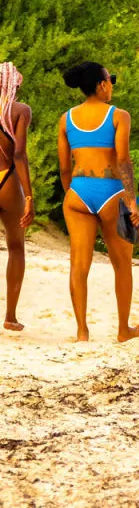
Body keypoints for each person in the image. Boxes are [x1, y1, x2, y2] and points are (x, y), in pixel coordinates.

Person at [58, 62, 139, 343]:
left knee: (79, 266)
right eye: (111, 80)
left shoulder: (66, 118)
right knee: (122, 265)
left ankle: (82, 331)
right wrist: (132, 203)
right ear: (102, 84)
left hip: (78, 193)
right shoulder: (120, 116)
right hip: (112, 193)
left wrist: (75, 194)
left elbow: (64, 169)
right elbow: (122, 160)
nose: (112, 85)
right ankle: (122, 329)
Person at [0, 62, 34, 332]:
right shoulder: (20, 111)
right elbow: (19, 155)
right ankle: (10, 316)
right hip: (8, 179)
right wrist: (30, 196)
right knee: (16, 247)